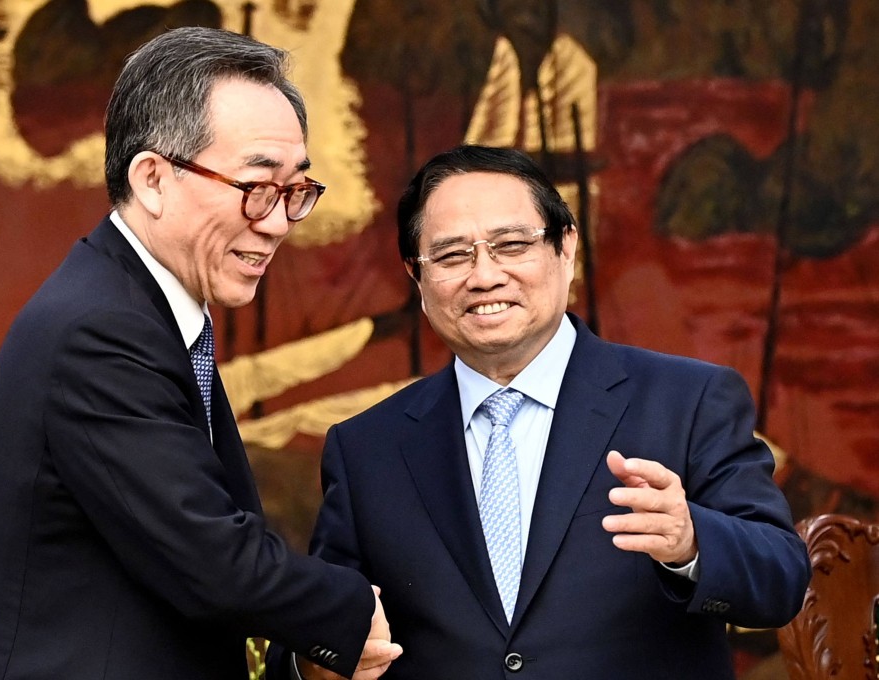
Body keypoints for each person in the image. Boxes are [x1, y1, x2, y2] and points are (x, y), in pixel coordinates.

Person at [0, 26, 401, 680]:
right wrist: (351, 613)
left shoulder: (144, 312)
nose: (275, 222)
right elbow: (212, 560)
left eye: (295, 190)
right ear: (153, 178)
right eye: (256, 186)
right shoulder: (101, 331)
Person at [275, 144, 811, 679]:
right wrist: (316, 662)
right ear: (417, 276)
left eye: (511, 245)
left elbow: (781, 582)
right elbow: (320, 629)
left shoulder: (688, 400)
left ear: (566, 247)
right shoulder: (368, 447)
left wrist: (692, 541)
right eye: (453, 255)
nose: (484, 276)